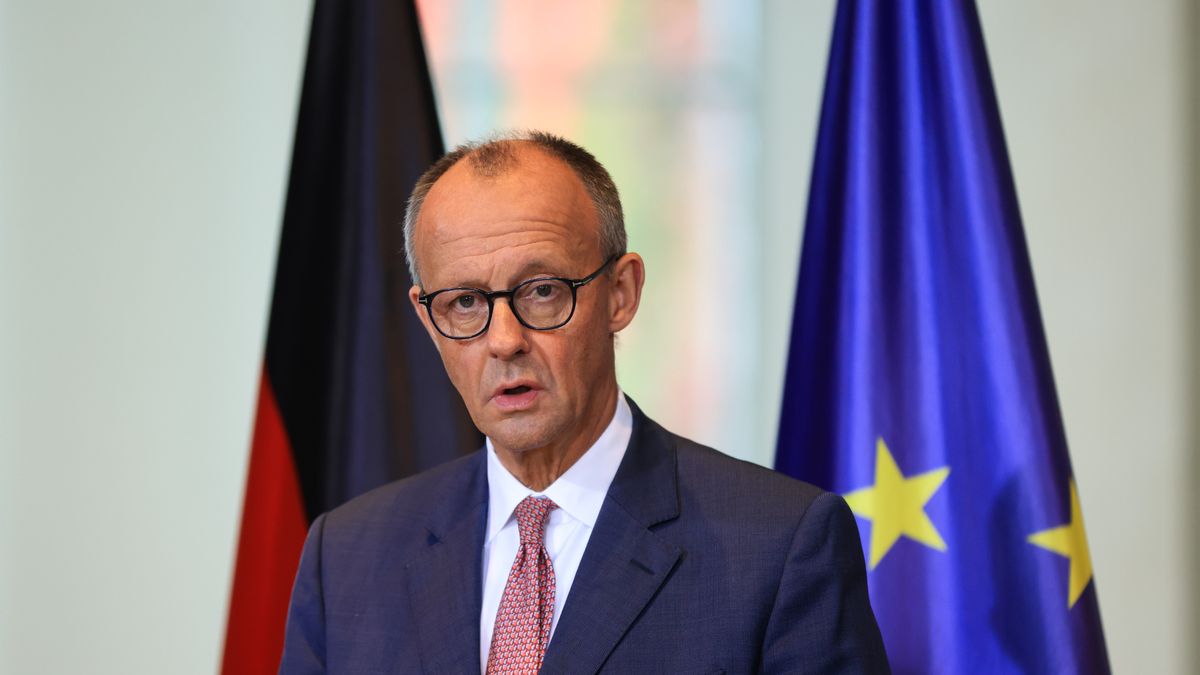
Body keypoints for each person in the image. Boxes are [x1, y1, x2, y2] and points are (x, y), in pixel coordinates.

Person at [279, 131, 889, 674]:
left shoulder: (779, 548)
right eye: (464, 303)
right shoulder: (346, 555)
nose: (504, 341)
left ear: (620, 293)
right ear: (427, 318)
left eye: (542, 291)